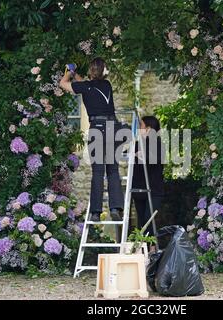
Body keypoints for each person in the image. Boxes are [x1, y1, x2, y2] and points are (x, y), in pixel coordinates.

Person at [60, 57, 124, 222]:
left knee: (98, 172)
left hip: (98, 128)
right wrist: (77, 76)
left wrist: (69, 72)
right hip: (113, 128)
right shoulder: (106, 85)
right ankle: (116, 208)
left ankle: (95, 212)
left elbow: (63, 84)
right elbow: (88, 85)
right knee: (113, 170)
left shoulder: (85, 87)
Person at [132, 116, 165, 247]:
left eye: (141, 126)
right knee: (141, 222)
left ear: (149, 129)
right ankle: (143, 250)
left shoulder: (157, 144)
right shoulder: (136, 144)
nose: (139, 129)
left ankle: (151, 251)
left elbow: (155, 161)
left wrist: (142, 155)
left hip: (153, 190)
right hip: (139, 189)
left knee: (148, 221)